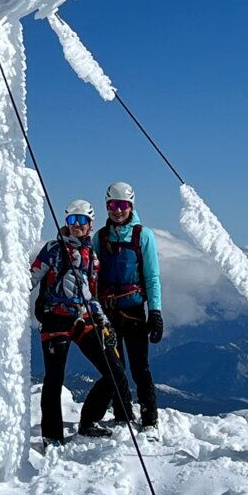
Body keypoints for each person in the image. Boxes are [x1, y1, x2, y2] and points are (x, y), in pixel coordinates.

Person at [32, 199, 133, 449]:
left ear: (90, 224)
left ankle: (89, 421)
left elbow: (92, 295)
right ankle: (52, 435)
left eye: (82, 221)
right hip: (55, 319)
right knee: (54, 378)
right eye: (72, 220)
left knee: (115, 371)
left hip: (83, 319)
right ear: (66, 222)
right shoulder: (53, 249)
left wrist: (103, 322)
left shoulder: (92, 258)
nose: (77, 225)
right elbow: (30, 277)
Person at [93, 181, 163, 434]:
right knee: (115, 366)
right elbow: (93, 275)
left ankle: (149, 418)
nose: (118, 210)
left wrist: (155, 312)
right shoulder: (100, 237)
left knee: (139, 367)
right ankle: (122, 414)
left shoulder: (143, 236)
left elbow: (152, 276)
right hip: (107, 312)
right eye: (113, 205)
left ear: (131, 206)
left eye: (123, 205)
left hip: (133, 312)